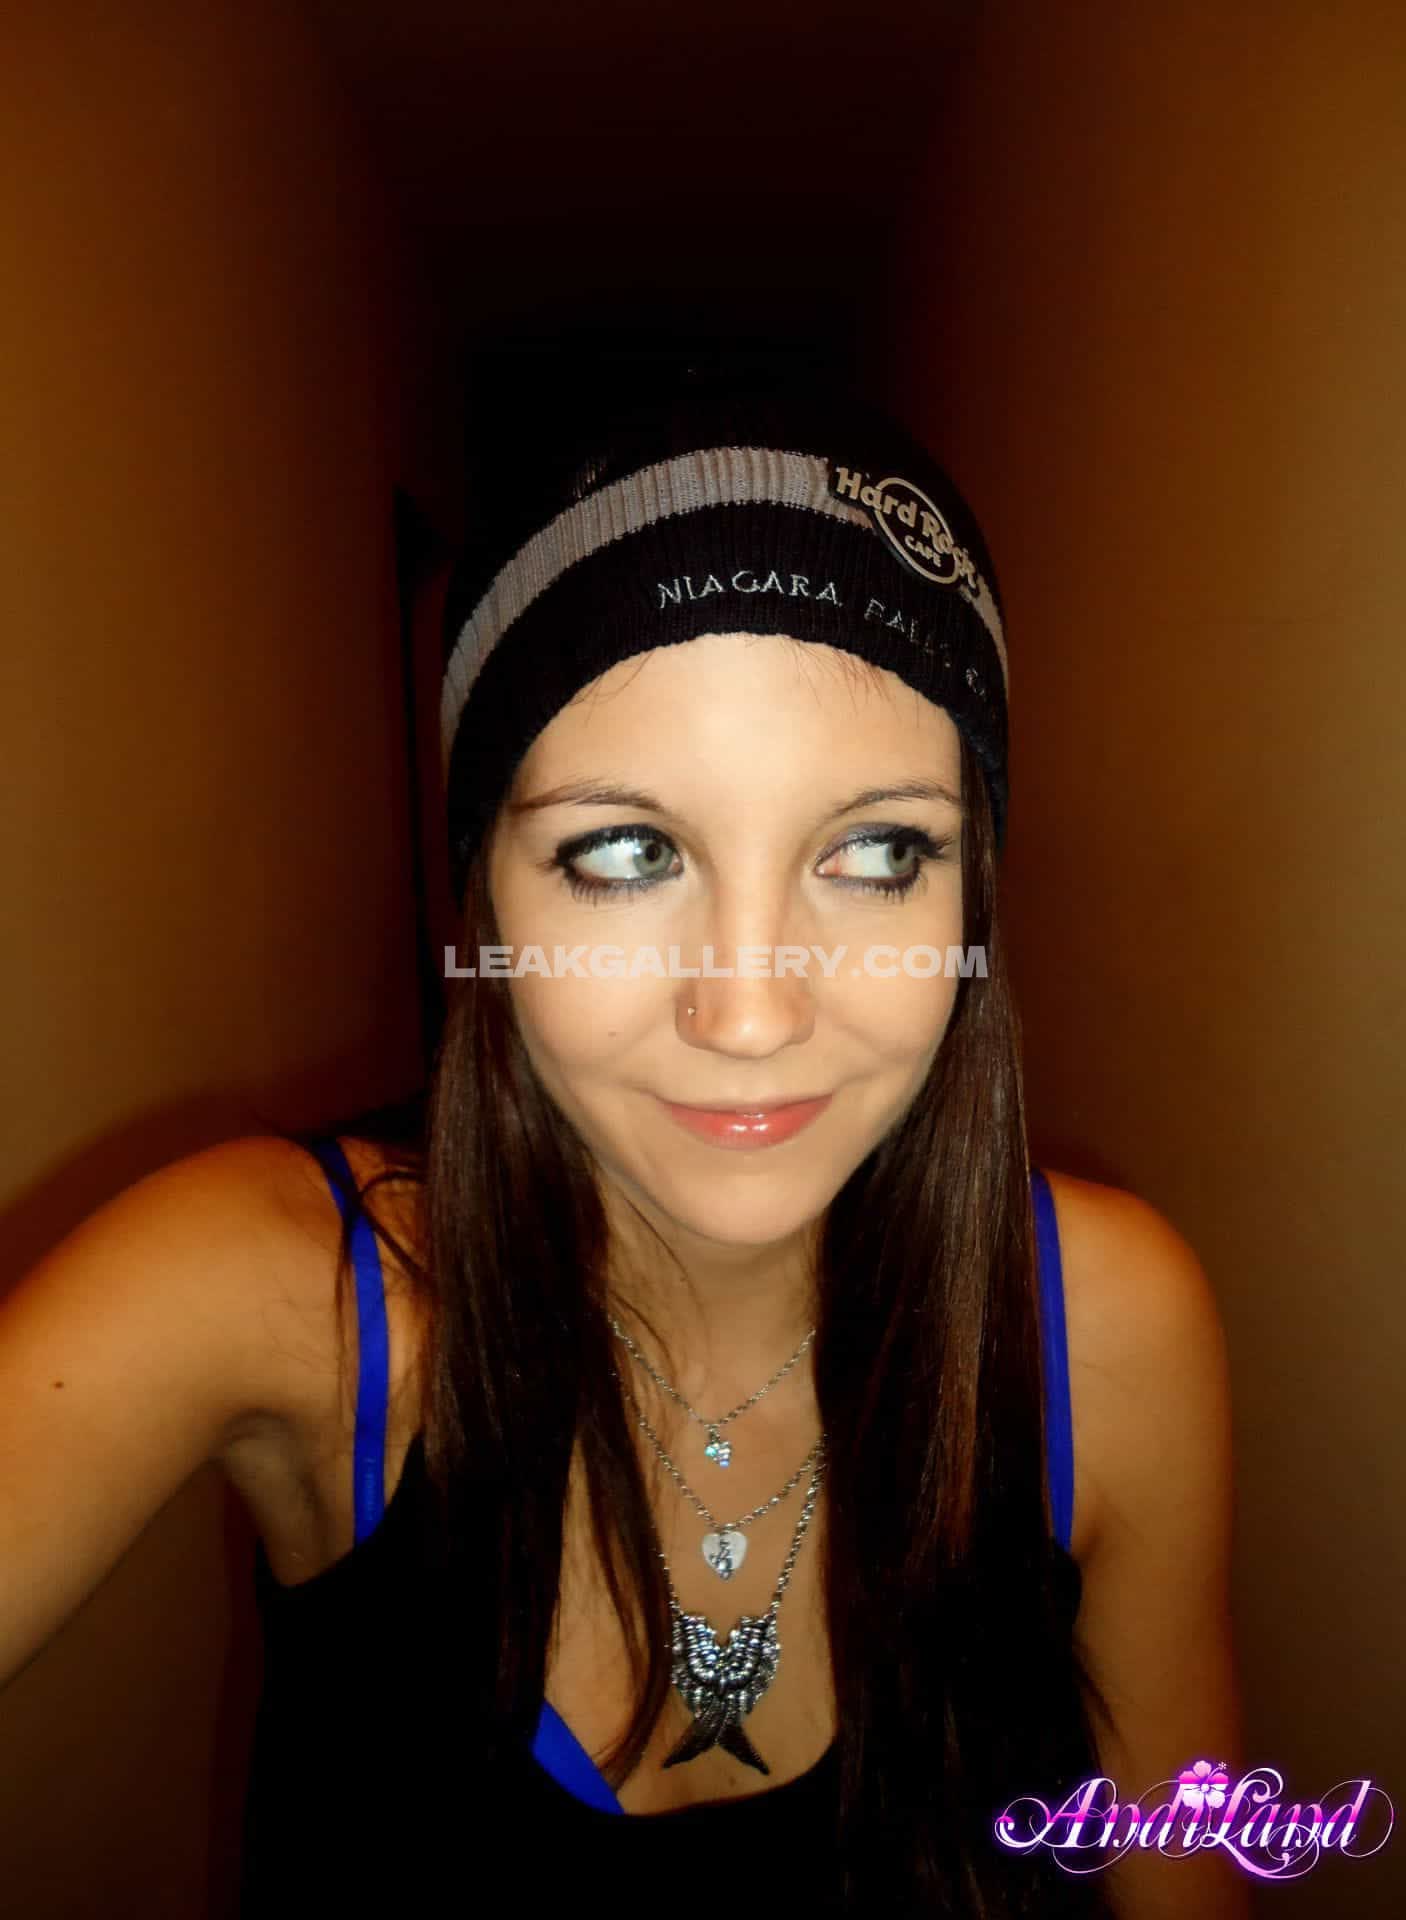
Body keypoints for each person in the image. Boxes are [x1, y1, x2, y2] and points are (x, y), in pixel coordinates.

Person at [0, 368, 1246, 1918]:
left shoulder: (1108, 1333)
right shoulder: (285, 1290)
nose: (751, 1012)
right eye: (626, 851)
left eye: (876, 851)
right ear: (485, 899)